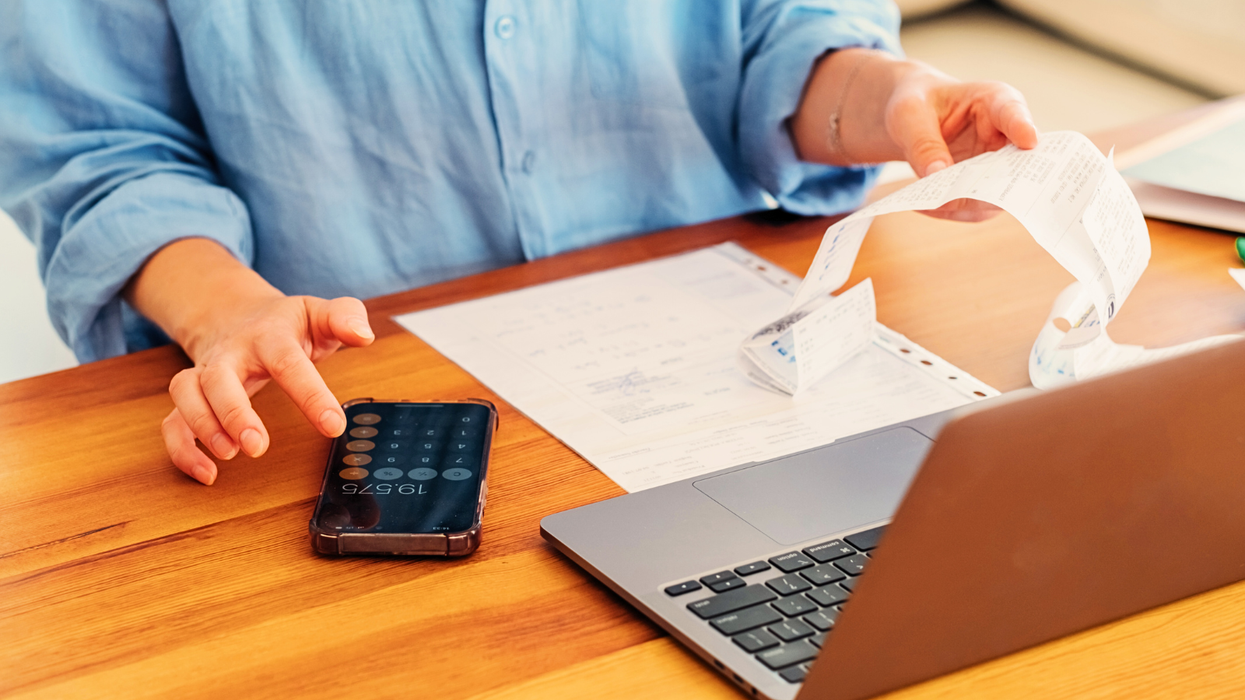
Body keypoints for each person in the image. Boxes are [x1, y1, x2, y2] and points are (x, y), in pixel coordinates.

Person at [0, 2, 1037, 485]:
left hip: (732, 373)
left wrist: (898, 98)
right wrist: (226, 309)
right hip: (356, 414)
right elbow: (102, 153)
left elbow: (784, 39)